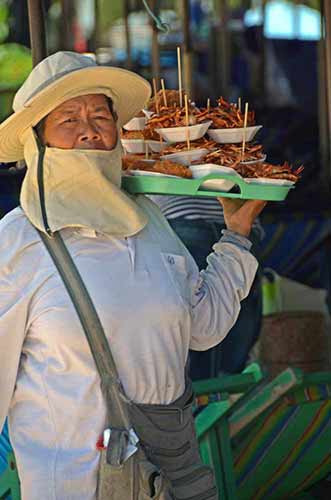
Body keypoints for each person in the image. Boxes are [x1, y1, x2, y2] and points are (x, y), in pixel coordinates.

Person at [0, 51, 265, 500]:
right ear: (36, 141)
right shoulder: (18, 242)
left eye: (100, 115)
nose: (89, 128)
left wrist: (236, 236)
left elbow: (201, 328)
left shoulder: (150, 223)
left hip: (171, 479)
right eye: (68, 119)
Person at [150, 194, 263, 379]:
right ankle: (225, 397)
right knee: (234, 330)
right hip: (243, 216)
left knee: (192, 335)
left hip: (181, 215)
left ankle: (207, 401)